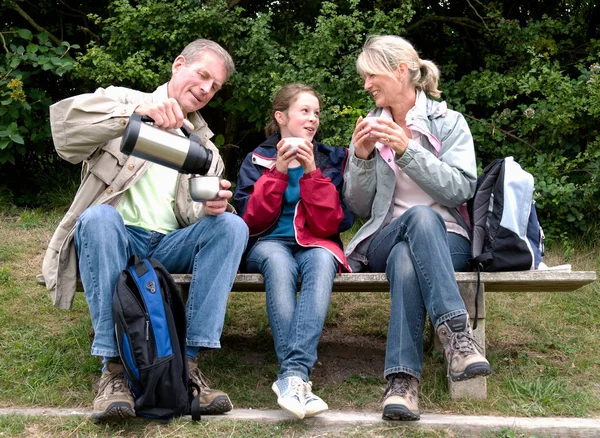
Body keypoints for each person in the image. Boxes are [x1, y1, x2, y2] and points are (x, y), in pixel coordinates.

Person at [42, 39, 249, 421]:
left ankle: (187, 368)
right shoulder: (121, 100)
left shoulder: (205, 148)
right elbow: (65, 135)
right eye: (202, 75)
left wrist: (214, 207)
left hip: (170, 244)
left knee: (232, 226)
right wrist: (136, 112)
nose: (206, 89)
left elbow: (202, 213)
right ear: (178, 64)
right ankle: (114, 372)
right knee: (99, 217)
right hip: (118, 236)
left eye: (215, 86)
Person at [342, 35, 492, 421]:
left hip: (448, 239)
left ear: (400, 71)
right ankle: (459, 340)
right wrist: (359, 160)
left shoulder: (449, 122)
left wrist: (409, 152)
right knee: (418, 221)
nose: (366, 85)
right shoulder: (370, 128)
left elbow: (460, 188)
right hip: (385, 239)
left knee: (411, 257)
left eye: (371, 75)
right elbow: (357, 208)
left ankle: (402, 383)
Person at [233, 83, 353, 419]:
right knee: (277, 261)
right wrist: (279, 172)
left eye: (316, 113)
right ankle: (297, 373)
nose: (313, 119)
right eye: (305, 111)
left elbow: (330, 224)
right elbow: (250, 221)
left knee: (320, 259)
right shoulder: (256, 159)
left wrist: (312, 171)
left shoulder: (330, 159)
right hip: (268, 242)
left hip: (317, 242)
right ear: (281, 116)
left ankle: (292, 376)